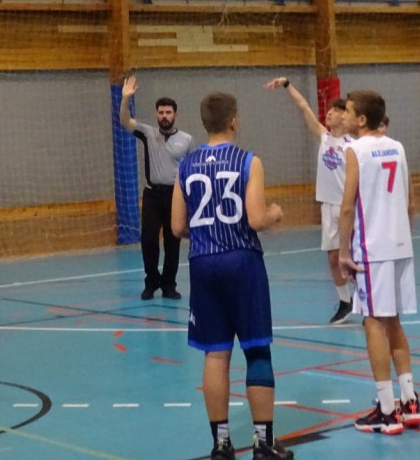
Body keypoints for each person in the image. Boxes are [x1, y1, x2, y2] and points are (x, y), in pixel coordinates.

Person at [171, 92, 294, 460]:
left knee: (216, 353)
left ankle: (221, 445)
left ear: (204, 122)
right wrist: (275, 213)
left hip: (203, 263)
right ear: (234, 120)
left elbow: (177, 226)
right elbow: (255, 218)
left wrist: (206, 232)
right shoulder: (248, 161)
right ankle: (263, 442)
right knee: (256, 349)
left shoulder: (185, 166)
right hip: (241, 260)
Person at [337, 90, 420, 435]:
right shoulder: (397, 147)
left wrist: (344, 252)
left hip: (373, 248)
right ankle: (409, 401)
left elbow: (347, 206)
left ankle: (387, 410)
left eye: (348, 111)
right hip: (401, 244)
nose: (343, 115)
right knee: (393, 321)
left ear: (361, 120)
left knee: (372, 322)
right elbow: (410, 203)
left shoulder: (355, 150)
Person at [265, 77, 353, 324]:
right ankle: (345, 302)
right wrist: (287, 85)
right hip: (327, 205)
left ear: (345, 116)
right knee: (333, 258)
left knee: (354, 257)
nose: (329, 113)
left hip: (347, 207)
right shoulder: (324, 137)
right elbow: (304, 107)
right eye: (329, 110)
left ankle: (368, 302)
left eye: (335, 111)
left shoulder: (353, 146)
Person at [120, 75, 193, 300]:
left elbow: (191, 170)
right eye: (161, 112)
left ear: (175, 115)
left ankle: (169, 285)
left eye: (168, 112)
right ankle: (151, 282)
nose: (164, 116)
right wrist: (125, 99)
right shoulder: (148, 133)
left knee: (173, 241)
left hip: (175, 196)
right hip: (152, 195)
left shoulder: (187, 140)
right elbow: (125, 121)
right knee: (149, 240)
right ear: (156, 114)